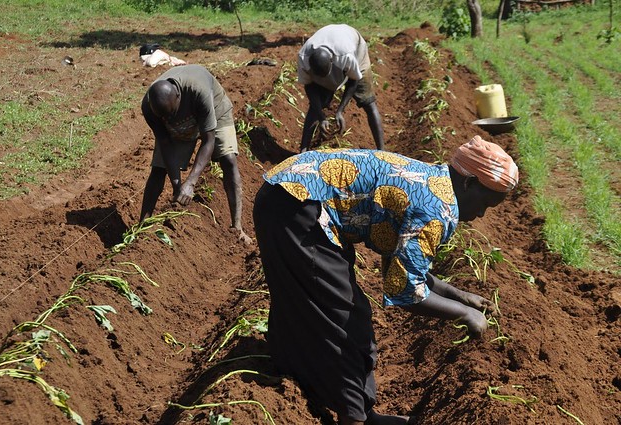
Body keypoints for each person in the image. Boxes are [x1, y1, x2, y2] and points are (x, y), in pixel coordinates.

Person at [253, 136, 519, 425]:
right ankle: (354, 417)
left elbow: (407, 266)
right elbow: (405, 291)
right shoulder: (436, 209)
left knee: (303, 300)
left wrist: (460, 296)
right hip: (299, 204)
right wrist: (466, 314)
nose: (481, 214)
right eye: (485, 204)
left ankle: (324, 392)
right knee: (347, 319)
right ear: (468, 184)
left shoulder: (432, 181)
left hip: (289, 195)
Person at [140, 64, 251, 244]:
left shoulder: (199, 92)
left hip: (215, 109)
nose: (167, 119)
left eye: (171, 113)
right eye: (164, 117)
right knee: (158, 168)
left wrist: (190, 183)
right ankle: (142, 226)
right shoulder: (149, 106)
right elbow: (165, 142)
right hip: (181, 124)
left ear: (178, 96)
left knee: (229, 159)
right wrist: (177, 185)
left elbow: (209, 140)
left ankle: (237, 227)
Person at [297, 24, 384, 152]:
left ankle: (382, 151)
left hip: (356, 48)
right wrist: (321, 117)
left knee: (368, 102)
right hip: (333, 46)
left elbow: (353, 81)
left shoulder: (346, 55)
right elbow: (309, 87)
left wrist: (340, 111)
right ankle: (302, 152)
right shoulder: (303, 57)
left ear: (332, 63)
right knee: (315, 106)